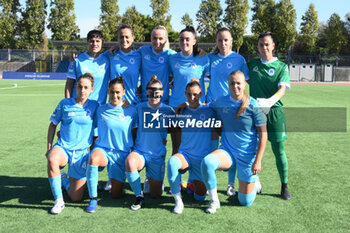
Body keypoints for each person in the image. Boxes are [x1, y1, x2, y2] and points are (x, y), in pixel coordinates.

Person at [201, 70, 267, 214]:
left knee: (245, 202)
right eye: (232, 83)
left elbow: (263, 135)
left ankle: (253, 181)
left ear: (244, 84)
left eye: (238, 83)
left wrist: (258, 161)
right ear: (228, 84)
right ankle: (214, 200)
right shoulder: (220, 101)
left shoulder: (253, 105)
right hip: (227, 151)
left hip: (247, 156)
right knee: (207, 162)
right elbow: (204, 107)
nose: (235, 86)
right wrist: (185, 104)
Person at [46, 73, 99, 214]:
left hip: (81, 153)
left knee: (76, 197)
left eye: (86, 87)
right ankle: (59, 201)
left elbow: (101, 128)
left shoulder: (95, 106)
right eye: (80, 86)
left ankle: (64, 180)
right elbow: (53, 125)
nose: (82, 90)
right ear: (76, 87)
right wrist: (49, 147)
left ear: (91, 89)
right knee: (52, 158)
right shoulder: (65, 104)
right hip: (63, 147)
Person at [247, 31, 291, 200]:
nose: (264, 47)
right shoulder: (252, 65)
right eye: (261, 45)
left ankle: (284, 186)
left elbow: (282, 90)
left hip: (274, 112)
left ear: (273, 46)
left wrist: (270, 101)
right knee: (252, 148)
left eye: (267, 44)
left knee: (278, 150)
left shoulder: (281, 67)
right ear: (257, 47)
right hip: (256, 112)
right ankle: (254, 182)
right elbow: (241, 80)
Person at [207, 27, 250, 196]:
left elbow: (244, 82)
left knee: (231, 144)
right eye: (219, 40)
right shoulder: (210, 58)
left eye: (226, 40)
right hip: (212, 107)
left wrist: (244, 103)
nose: (223, 43)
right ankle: (209, 181)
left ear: (232, 41)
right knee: (211, 143)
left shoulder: (239, 59)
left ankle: (230, 184)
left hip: (231, 108)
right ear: (216, 42)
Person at [85, 77, 137, 213]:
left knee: (116, 195)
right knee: (93, 159)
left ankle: (112, 177)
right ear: (108, 91)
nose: (115, 95)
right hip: (103, 150)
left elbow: (136, 132)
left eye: (118, 92)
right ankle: (93, 199)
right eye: (112, 92)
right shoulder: (100, 109)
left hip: (121, 154)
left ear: (124, 92)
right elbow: (87, 126)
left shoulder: (131, 110)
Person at [125, 75, 175, 211]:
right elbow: (133, 128)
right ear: (146, 92)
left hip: (157, 155)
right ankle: (138, 195)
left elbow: (175, 127)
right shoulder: (139, 108)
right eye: (150, 92)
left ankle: (152, 180)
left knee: (155, 195)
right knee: (130, 162)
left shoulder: (168, 110)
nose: (154, 95)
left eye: (157, 93)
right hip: (140, 152)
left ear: (163, 93)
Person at [167, 78, 217, 214]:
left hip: (202, 160)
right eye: (189, 94)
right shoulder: (181, 111)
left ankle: (193, 184)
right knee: (172, 163)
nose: (192, 97)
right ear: (185, 94)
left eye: (195, 94)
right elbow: (176, 132)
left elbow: (215, 134)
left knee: (199, 198)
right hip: (186, 156)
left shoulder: (209, 111)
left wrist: (212, 156)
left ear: (201, 94)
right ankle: (178, 202)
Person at [168, 26, 209, 109]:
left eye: (187, 39)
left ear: (194, 41)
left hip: (196, 106)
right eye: (181, 39)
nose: (184, 42)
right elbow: (168, 78)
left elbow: (214, 79)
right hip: (175, 104)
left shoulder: (203, 58)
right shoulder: (172, 58)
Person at [65, 30, 110, 105]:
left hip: (98, 107)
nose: (94, 44)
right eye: (92, 41)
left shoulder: (107, 60)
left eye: (97, 41)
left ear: (102, 43)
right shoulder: (76, 59)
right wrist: (68, 104)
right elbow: (69, 84)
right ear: (87, 43)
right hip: (79, 106)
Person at [109, 25, 141, 105]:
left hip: (133, 102)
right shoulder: (110, 54)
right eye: (121, 37)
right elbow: (94, 57)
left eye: (127, 37)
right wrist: (79, 54)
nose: (124, 40)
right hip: (115, 103)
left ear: (132, 38)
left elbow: (148, 72)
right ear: (118, 39)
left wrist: (142, 88)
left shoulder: (139, 56)